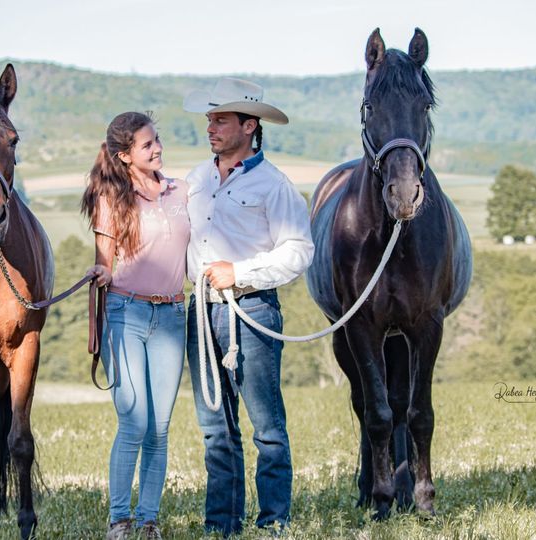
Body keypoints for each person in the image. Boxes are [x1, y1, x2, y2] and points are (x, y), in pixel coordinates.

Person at [182, 78, 314, 535]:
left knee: (266, 427)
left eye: (220, 119)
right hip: (200, 312)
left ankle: (274, 522)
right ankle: (222, 525)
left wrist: (241, 273)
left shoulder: (274, 185)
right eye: (210, 119)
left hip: (252, 311)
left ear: (249, 125)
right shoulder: (196, 179)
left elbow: (298, 250)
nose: (210, 127)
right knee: (215, 429)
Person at [81, 111, 190, 540]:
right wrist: (102, 275)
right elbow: (104, 263)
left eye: (157, 140)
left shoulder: (181, 191)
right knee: (134, 422)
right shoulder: (112, 198)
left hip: (172, 315)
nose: (157, 148)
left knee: (159, 428)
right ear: (126, 156)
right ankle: (120, 520)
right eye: (147, 145)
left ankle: (149, 521)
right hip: (126, 314)